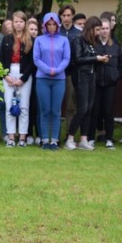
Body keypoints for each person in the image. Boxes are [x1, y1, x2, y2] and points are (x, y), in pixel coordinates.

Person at [66, 17, 110, 150]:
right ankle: (70, 138)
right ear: (90, 28)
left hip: (91, 76)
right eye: (97, 29)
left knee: (89, 108)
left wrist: (101, 60)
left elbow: (91, 59)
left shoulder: (93, 42)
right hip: (81, 76)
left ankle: (84, 139)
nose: (98, 32)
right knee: (82, 108)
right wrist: (96, 58)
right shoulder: (78, 39)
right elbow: (78, 59)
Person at [34, 12, 71, 150]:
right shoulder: (39, 40)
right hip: (42, 78)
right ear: (44, 25)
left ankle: (54, 140)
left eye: (53, 24)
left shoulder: (64, 40)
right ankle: (44, 140)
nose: (51, 27)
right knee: (44, 110)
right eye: (48, 24)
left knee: (56, 111)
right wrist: (48, 69)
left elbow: (66, 58)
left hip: (59, 79)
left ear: (57, 25)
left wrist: (57, 70)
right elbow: (36, 59)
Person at [0, 11, 34, 147]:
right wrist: (6, 77)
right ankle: (11, 137)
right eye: (16, 21)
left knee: (24, 106)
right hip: (9, 72)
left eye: (21, 21)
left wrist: (22, 79)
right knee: (9, 105)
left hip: (24, 74)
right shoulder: (6, 39)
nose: (18, 24)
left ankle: (23, 137)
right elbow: (0, 60)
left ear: (25, 23)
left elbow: (32, 63)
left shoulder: (30, 39)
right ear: (12, 23)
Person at [91, 17, 121, 149]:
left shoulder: (115, 47)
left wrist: (116, 76)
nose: (104, 31)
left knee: (109, 112)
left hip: (110, 83)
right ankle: (91, 138)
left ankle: (109, 139)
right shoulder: (93, 45)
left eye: (107, 28)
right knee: (94, 110)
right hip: (95, 83)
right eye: (102, 28)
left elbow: (121, 65)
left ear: (110, 29)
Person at [58, 4, 78, 139]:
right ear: (60, 16)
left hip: (71, 73)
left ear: (72, 16)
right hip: (57, 73)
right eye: (64, 15)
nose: (66, 18)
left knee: (71, 106)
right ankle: (54, 135)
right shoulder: (55, 32)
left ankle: (68, 135)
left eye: (69, 15)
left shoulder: (78, 33)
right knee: (56, 106)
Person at [26, 18, 39, 144]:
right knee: (27, 106)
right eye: (31, 29)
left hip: (38, 76)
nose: (34, 32)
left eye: (36, 29)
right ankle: (28, 133)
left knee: (36, 105)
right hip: (26, 76)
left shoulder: (39, 42)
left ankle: (39, 133)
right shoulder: (25, 43)